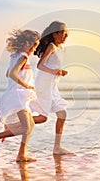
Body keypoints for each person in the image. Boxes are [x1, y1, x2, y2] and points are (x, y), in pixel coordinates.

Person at [0, 29, 47, 162]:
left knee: (41, 118)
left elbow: (8, 73)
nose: (35, 48)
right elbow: (13, 74)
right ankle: (17, 153)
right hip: (20, 95)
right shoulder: (23, 57)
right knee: (28, 126)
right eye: (34, 45)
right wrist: (26, 85)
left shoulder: (15, 56)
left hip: (18, 95)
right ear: (27, 44)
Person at [33, 21, 74, 155]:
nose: (65, 35)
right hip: (44, 85)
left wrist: (59, 71)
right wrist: (55, 71)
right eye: (63, 32)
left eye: (66, 32)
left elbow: (53, 66)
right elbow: (40, 65)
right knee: (43, 117)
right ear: (55, 34)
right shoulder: (51, 46)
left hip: (52, 86)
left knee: (62, 114)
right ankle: (17, 122)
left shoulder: (61, 48)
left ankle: (57, 147)